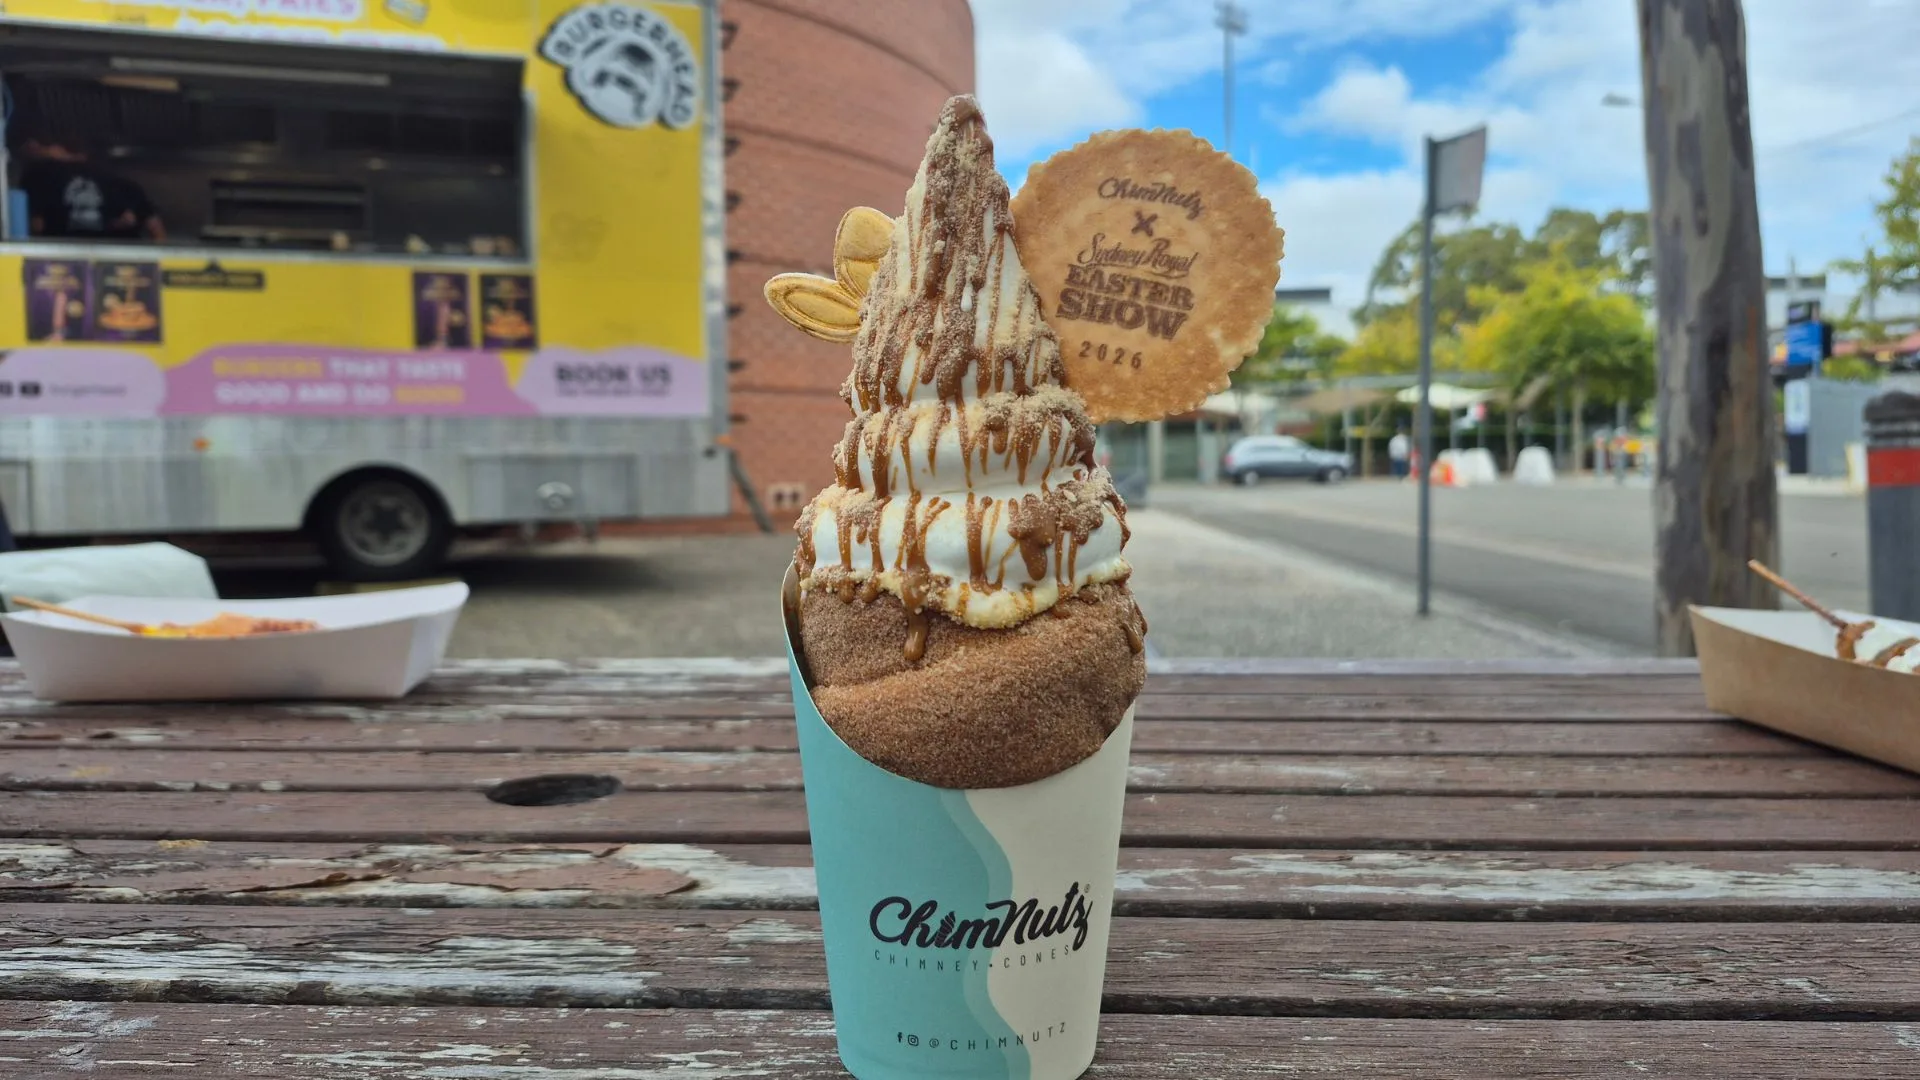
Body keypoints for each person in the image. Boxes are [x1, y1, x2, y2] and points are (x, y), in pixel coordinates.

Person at [15, 132, 166, 242]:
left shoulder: (39, 175)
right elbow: (157, 231)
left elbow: (35, 225)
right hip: (120, 269)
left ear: (57, 148)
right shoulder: (123, 183)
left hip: (60, 263)